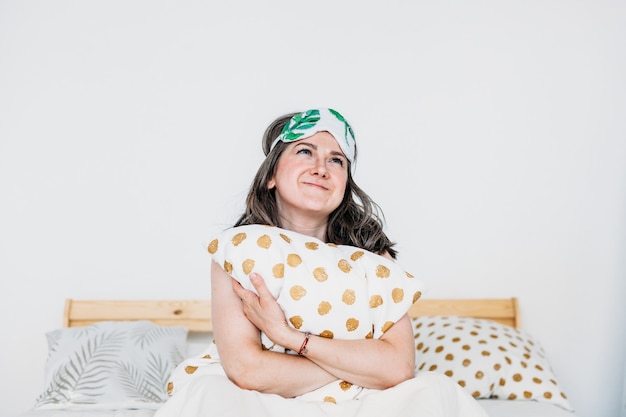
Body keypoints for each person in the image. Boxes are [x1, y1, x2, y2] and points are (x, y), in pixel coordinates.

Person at [154, 108, 488, 417]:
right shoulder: (240, 251)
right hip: (264, 397)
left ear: (344, 185)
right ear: (270, 176)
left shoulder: (373, 256)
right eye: (305, 151)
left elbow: (398, 368)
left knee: (437, 390)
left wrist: (289, 338)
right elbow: (247, 370)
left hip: (364, 401)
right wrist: (355, 368)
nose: (320, 168)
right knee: (209, 393)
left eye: (336, 161)